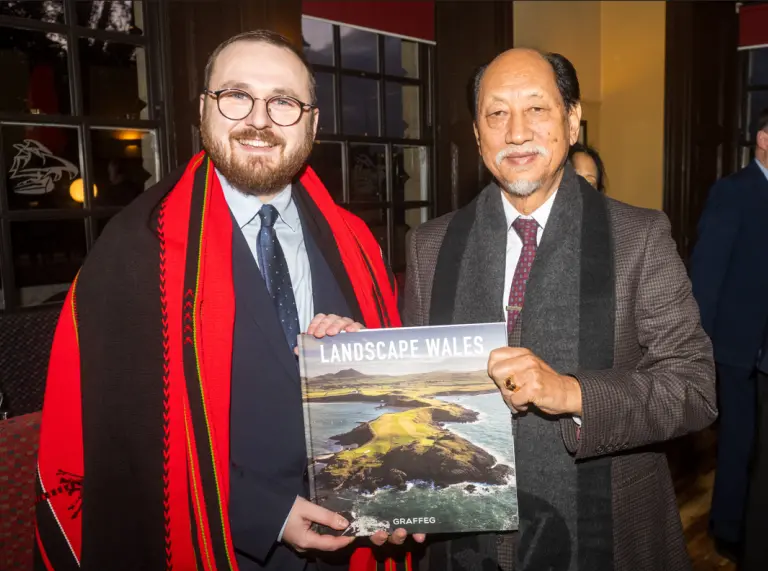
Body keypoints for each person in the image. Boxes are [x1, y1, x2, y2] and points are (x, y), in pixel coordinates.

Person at [34, 30, 420, 571]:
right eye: (236, 95)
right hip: (220, 547)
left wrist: (359, 360)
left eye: (283, 102)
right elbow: (121, 437)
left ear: (312, 123)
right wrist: (263, 513)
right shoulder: (135, 253)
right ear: (203, 110)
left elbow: (391, 389)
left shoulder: (357, 243)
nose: (259, 120)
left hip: (353, 540)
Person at [403, 48, 716, 571]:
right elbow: (416, 391)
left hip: (607, 530)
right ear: (477, 135)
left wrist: (571, 393)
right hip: (467, 537)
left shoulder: (638, 237)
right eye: (496, 113)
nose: (516, 132)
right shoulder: (431, 247)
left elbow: (694, 387)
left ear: (572, 122)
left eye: (536, 109)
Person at [689, 106, 768, 562]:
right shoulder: (733, 191)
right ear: (763, 139)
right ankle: (728, 530)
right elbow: (707, 274)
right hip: (738, 346)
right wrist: (699, 347)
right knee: (739, 442)